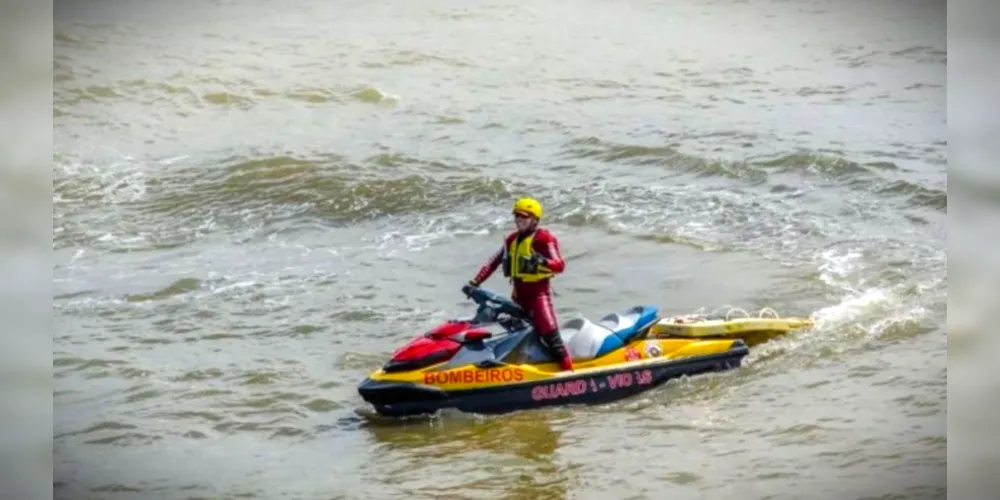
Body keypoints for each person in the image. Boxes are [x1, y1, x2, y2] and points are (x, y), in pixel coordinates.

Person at [465, 197, 573, 371]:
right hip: (517, 298)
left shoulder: (544, 239)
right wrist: (474, 282)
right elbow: (493, 262)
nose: (519, 220)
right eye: (517, 217)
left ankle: (570, 375)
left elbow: (559, 265)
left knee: (552, 339)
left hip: (538, 298)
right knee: (512, 336)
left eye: (524, 217)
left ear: (535, 220)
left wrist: (542, 262)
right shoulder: (511, 240)